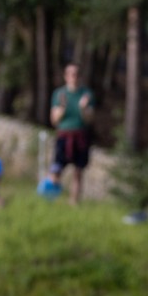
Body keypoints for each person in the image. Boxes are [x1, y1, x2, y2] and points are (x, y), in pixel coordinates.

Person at [38, 63, 95, 204]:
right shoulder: (59, 94)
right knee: (56, 169)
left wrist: (83, 108)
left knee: (78, 171)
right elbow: (54, 120)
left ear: (80, 76)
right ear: (66, 76)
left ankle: (73, 202)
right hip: (64, 135)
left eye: (76, 74)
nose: (73, 77)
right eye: (70, 74)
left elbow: (90, 120)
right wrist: (62, 108)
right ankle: (49, 198)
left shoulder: (87, 95)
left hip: (80, 135)